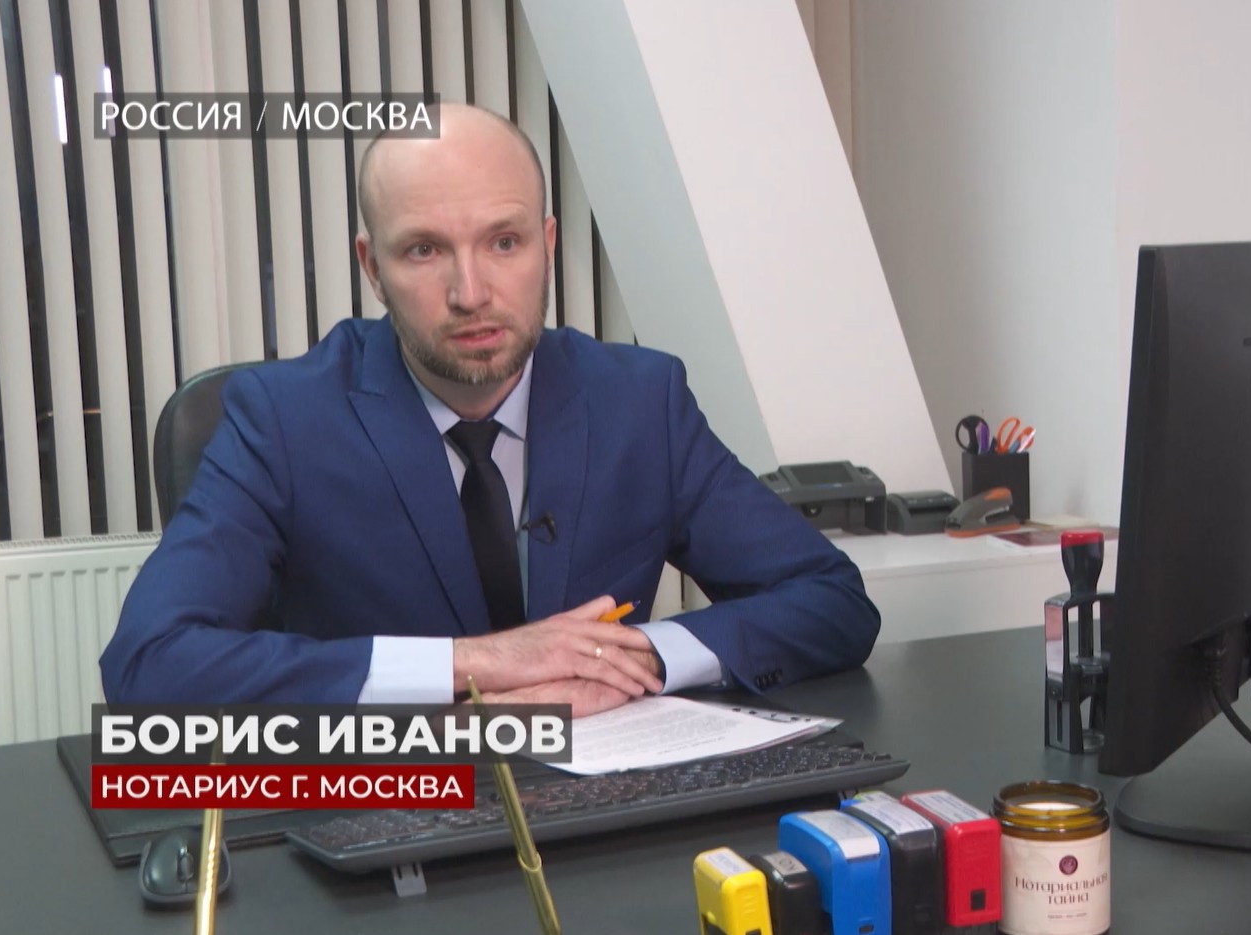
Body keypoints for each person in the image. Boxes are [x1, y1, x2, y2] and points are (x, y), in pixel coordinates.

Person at [99, 103, 880, 715]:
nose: (470, 292)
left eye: (504, 242)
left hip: (605, 806)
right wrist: (481, 663)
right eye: (424, 249)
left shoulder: (640, 401)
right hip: (394, 818)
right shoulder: (281, 419)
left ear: (546, 243)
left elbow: (830, 600)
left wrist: (629, 657)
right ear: (372, 267)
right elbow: (149, 664)